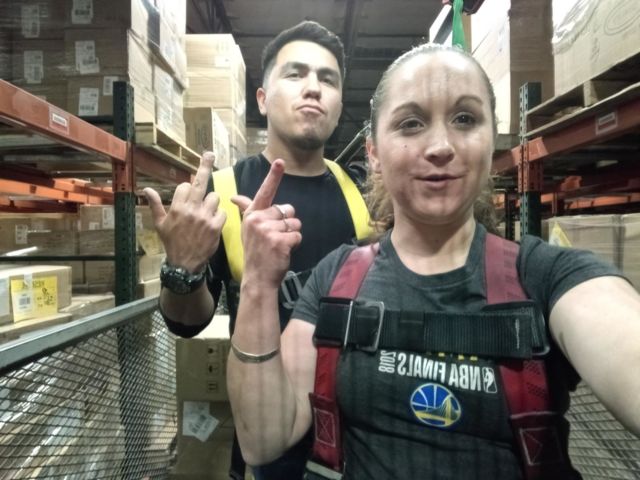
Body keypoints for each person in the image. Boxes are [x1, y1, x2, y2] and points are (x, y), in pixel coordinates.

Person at [226, 42, 640, 479]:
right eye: (411, 123)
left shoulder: (546, 278)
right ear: (373, 153)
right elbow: (264, 439)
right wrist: (258, 284)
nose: (441, 146)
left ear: (490, 139)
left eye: (465, 119)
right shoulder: (334, 279)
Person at [144, 21, 371, 480]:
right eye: (296, 74)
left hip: (364, 433)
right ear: (263, 99)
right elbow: (187, 322)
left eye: (328, 79)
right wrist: (182, 268)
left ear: (339, 103)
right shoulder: (223, 191)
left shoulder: (363, 194)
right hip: (270, 437)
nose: (313, 88)